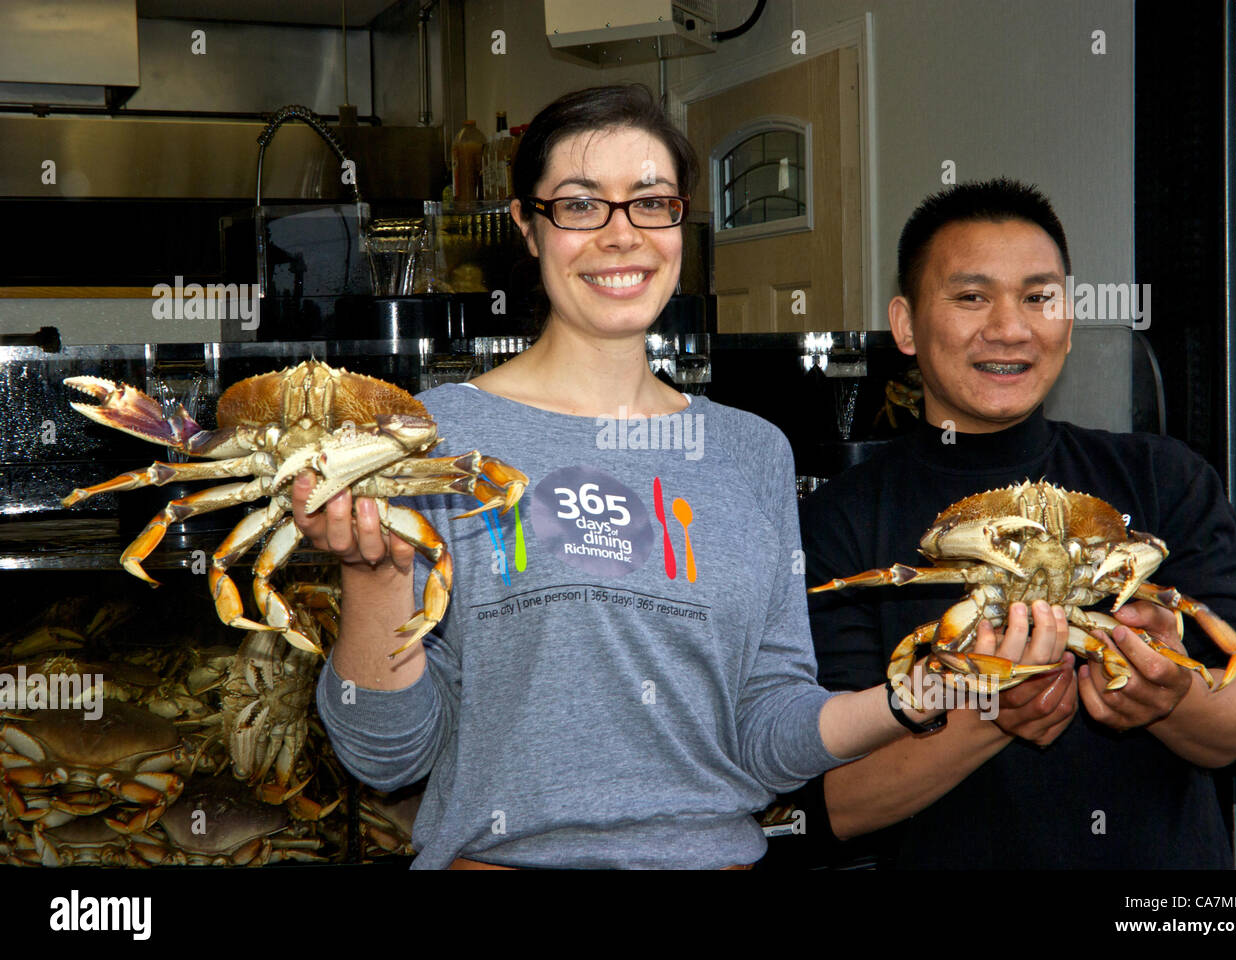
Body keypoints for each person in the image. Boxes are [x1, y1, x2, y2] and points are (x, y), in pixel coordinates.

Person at [295, 84, 945, 869]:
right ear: (527, 228)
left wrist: (916, 698)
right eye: (579, 205)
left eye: (650, 202)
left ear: (680, 222)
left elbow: (766, 734)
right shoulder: (436, 437)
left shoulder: (751, 451)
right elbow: (386, 758)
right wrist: (372, 580)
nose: (620, 235)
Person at [784, 178, 1236, 869]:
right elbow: (827, 805)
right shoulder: (836, 524)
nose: (1010, 327)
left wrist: (1174, 693)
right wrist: (987, 717)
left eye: (1038, 296)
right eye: (971, 296)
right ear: (904, 325)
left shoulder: (1162, 480)